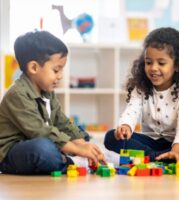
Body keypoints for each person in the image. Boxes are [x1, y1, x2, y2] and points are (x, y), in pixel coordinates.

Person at [104, 27, 179, 164]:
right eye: (148, 62)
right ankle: (158, 158)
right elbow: (131, 110)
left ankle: (150, 158)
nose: (153, 68)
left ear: (177, 65)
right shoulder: (141, 86)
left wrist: (176, 151)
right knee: (111, 137)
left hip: (176, 144)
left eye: (161, 63)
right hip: (149, 142)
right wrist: (125, 126)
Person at [0, 31, 106, 175]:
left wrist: (82, 143)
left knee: (81, 135)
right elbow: (39, 131)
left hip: (42, 141)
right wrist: (76, 149)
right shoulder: (17, 94)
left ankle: (91, 155)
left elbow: (61, 122)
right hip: (12, 155)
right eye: (56, 70)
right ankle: (72, 162)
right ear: (34, 68)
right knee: (43, 149)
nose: (60, 76)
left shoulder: (47, 91)